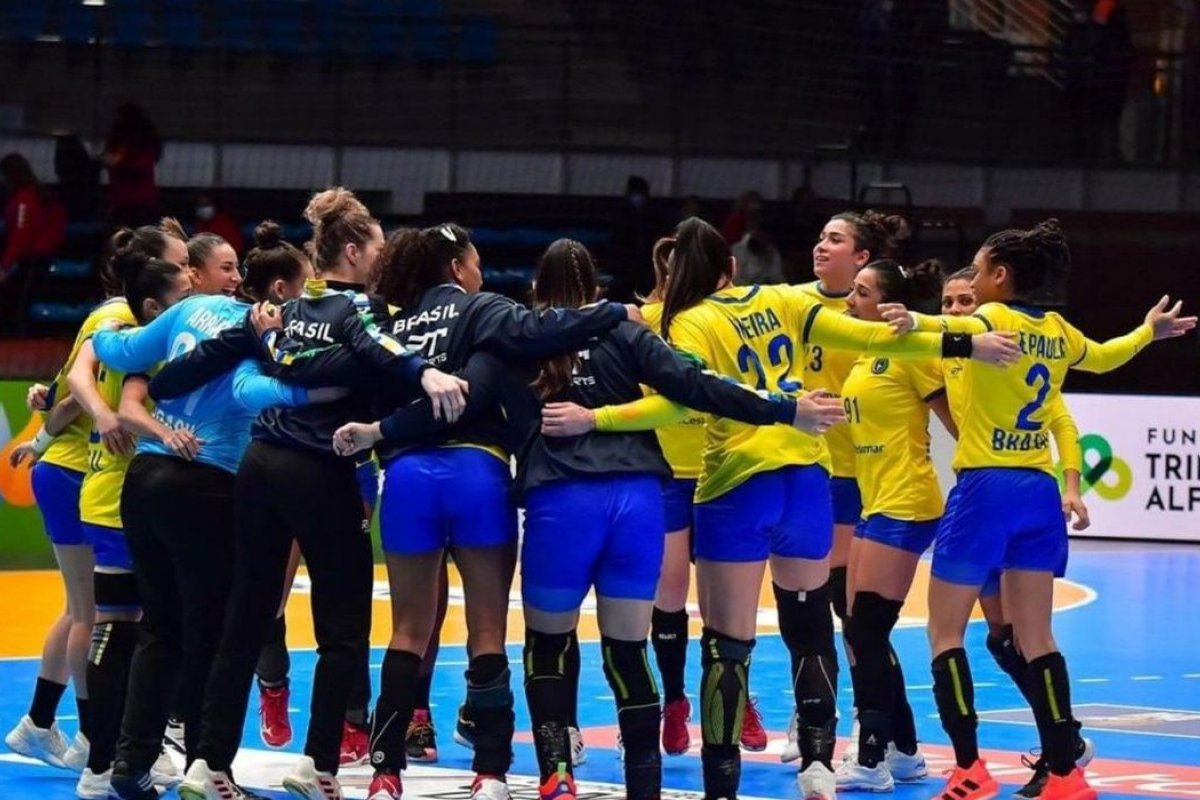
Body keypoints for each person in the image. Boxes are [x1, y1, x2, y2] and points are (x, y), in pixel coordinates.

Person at [655, 216, 1018, 800]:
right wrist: (966, 341)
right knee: (814, 626)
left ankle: (721, 782)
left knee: (728, 646)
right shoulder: (781, 300)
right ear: (732, 268)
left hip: (736, 484)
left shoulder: (687, 323)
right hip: (807, 483)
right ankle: (819, 764)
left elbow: (694, 395)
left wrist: (595, 419)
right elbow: (871, 335)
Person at [157, 188, 465, 800]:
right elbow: (380, 350)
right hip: (319, 472)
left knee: (246, 615)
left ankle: (207, 763)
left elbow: (184, 372)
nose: (383, 256)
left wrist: (175, 382)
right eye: (376, 246)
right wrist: (425, 372)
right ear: (352, 251)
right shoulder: (360, 310)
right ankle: (319, 764)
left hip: (258, 467)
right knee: (343, 627)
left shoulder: (283, 311)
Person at [512, 239, 845, 800]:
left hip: (564, 501)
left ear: (536, 288)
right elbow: (698, 390)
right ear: (597, 286)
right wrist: (786, 407)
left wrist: (383, 435)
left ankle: (557, 770)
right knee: (630, 646)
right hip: (640, 498)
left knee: (548, 641)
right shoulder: (628, 330)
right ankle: (652, 782)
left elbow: (471, 405)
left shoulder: (514, 336)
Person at [880, 219, 1195, 800]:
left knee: (945, 634)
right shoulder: (1056, 329)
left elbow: (944, 328)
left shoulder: (990, 319)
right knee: (1038, 640)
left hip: (984, 490)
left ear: (1000, 277)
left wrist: (912, 319)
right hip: (1036, 494)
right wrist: (1148, 332)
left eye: (976, 271)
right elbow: (1102, 358)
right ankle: (1067, 775)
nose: (971, 281)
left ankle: (970, 770)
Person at [326, 226, 642, 800]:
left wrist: (380, 432)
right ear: (455, 266)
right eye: (475, 261)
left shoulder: (389, 329)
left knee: (407, 630)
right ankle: (491, 773)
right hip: (477, 475)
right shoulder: (484, 311)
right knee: (487, 631)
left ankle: (384, 774)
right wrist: (616, 310)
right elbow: (543, 329)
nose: (480, 270)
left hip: (407, 480)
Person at [89, 224, 340, 800]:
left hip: (145, 482)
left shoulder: (189, 309)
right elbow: (259, 394)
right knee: (212, 633)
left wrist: (99, 329)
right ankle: (207, 769)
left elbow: (119, 351)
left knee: (159, 628)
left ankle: (130, 767)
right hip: (207, 485)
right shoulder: (267, 333)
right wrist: (320, 396)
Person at [938, 267, 1096, 800]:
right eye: (948, 303)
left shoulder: (1000, 345)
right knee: (1008, 640)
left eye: (966, 299)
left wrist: (1071, 483)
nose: (958, 311)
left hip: (983, 494)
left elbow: (1062, 419)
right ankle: (1064, 759)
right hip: (1018, 497)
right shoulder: (949, 348)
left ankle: (980, 766)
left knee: (963, 638)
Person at [65, 234, 192, 800]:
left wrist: (77, 414)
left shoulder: (125, 327)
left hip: (119, 495)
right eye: (184, 270)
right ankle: (102, 758)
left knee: (128, 626)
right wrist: (117, 418)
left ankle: (115, 753)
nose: (190, 279)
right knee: (122, 628)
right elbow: (101, 391)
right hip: (120, 498)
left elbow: (76, 382)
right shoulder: (133, 329)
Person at [782, 210, 911, 765]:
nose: (820, 244)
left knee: (850, 613)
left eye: (835, 239)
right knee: (805, 603)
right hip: (801, 466)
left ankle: (883, 726)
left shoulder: (880, 315)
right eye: (820, 234)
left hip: (853, 475)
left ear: (862, 258)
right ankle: (814, 715)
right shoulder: (790, 300)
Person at [832, 258, 951, 792]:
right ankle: (904, 751)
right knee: (859, 626)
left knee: (866, 629)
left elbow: (959, 422)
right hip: (873, 500)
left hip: (906, 501)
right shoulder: (865, 353)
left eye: (861, 292)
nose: (850, 300)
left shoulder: (910, 351)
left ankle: (872, 756)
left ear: (887, 304)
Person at [0, 152, 66, 287]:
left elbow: (21, 234)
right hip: (39, 256)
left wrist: (4, 267)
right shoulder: (37, 194)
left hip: (32, 259)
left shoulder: (25, 199)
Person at [103, 104, 162, 227]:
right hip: (144, 201)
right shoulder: (147, 143)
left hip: (123, 201)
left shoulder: (120, 142)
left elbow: (111, 160)